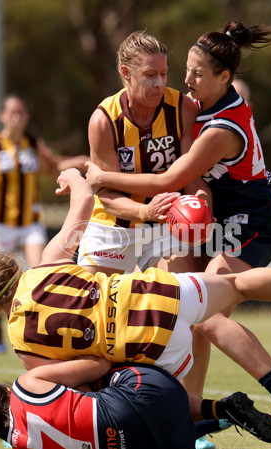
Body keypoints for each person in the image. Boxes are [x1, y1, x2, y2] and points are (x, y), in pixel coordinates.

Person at [0, 168, 271, 443]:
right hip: (158, 293)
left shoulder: (23, 347)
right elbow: (82, 201)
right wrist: (72, 177)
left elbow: (91, 373)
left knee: (155, 400)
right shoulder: (47, 262)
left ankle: (222, 412)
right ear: (15, 266)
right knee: (236, 284)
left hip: (152, 345)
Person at [84, 21, 271, 442]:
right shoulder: (193, 104)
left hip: (249, 226)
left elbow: (174, 179)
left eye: (195, 74)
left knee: (206, 314)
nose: (184, 82)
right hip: (211, 221)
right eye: (182, 70)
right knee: (185, 309)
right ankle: (192, 414)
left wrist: (100, 180)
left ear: (225, 79)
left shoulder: (223, 126)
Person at [0, 92, 88, 354]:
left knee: (43, 269)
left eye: (21, 112)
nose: (17, 117)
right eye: (12, 112)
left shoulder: (32, 143)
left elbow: (52, 167)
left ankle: (40, 327)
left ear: (27, 116)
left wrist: (75, 162)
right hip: (0, 222)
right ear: (2, 116)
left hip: (30, 221)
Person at [0, 359, 271, 449]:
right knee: (109, 366)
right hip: (154, 391)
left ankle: (219, 415)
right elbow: (98, 366)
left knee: (128, 428)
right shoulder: (25, 384)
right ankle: (220, 407)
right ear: (6, 392)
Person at [77, 31, 206, 276]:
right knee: (90, 308)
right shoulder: (104, 121)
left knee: (181, 302)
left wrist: (201, 207)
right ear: (126, 73)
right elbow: (106, 194)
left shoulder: (182, 109)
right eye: (150, 75)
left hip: (169, 224)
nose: (160, 83)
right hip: (115, 225)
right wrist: (145, 212)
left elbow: (192, 178)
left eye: (164, 74)